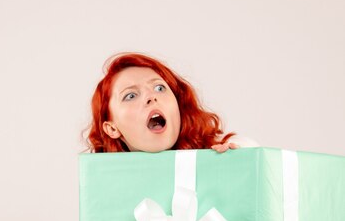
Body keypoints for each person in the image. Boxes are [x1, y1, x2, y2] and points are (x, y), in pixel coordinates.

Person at [85, 53, 258, 153]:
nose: (151, 97)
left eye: (159, 88)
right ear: (112, 128)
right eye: (130, 96)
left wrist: (239, 158)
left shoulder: (224, 148)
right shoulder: (106, 185)